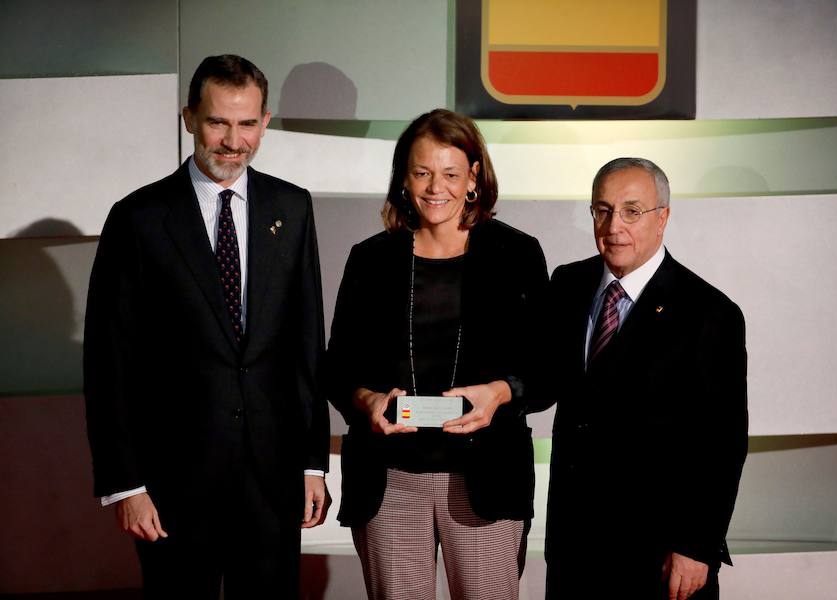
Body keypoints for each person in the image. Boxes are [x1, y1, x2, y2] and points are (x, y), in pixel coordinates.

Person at [83, 54, 331, 598]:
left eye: (247, 124)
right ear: (189, 117)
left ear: (265, 122)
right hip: (172, 486)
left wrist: (313, 464)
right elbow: (110, 361)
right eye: (218, 122)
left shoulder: (292, 209)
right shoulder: (138, 218)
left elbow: (306, 346)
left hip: (272, 479)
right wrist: (126, 484)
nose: (232, 141)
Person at [326, 108, 548, 600]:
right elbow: (337, 366)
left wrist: (499, 392)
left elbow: (547, 367)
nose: (435, 188)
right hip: (390, 482)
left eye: (450, 173)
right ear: (404, 178)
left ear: (474, 177)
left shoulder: (517, 254)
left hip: (485, 480)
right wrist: (366, 401)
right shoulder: (371, 258)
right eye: (422, 172)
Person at [535, 158, 748, 600]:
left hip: (659, 554)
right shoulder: (568, 284)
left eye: (632, 211)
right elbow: (543, 378)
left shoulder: (709, 313)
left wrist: (695, 545)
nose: (614, 226)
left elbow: (722, 442)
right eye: (603, 210)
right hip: (574, 545)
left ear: (663, 217)